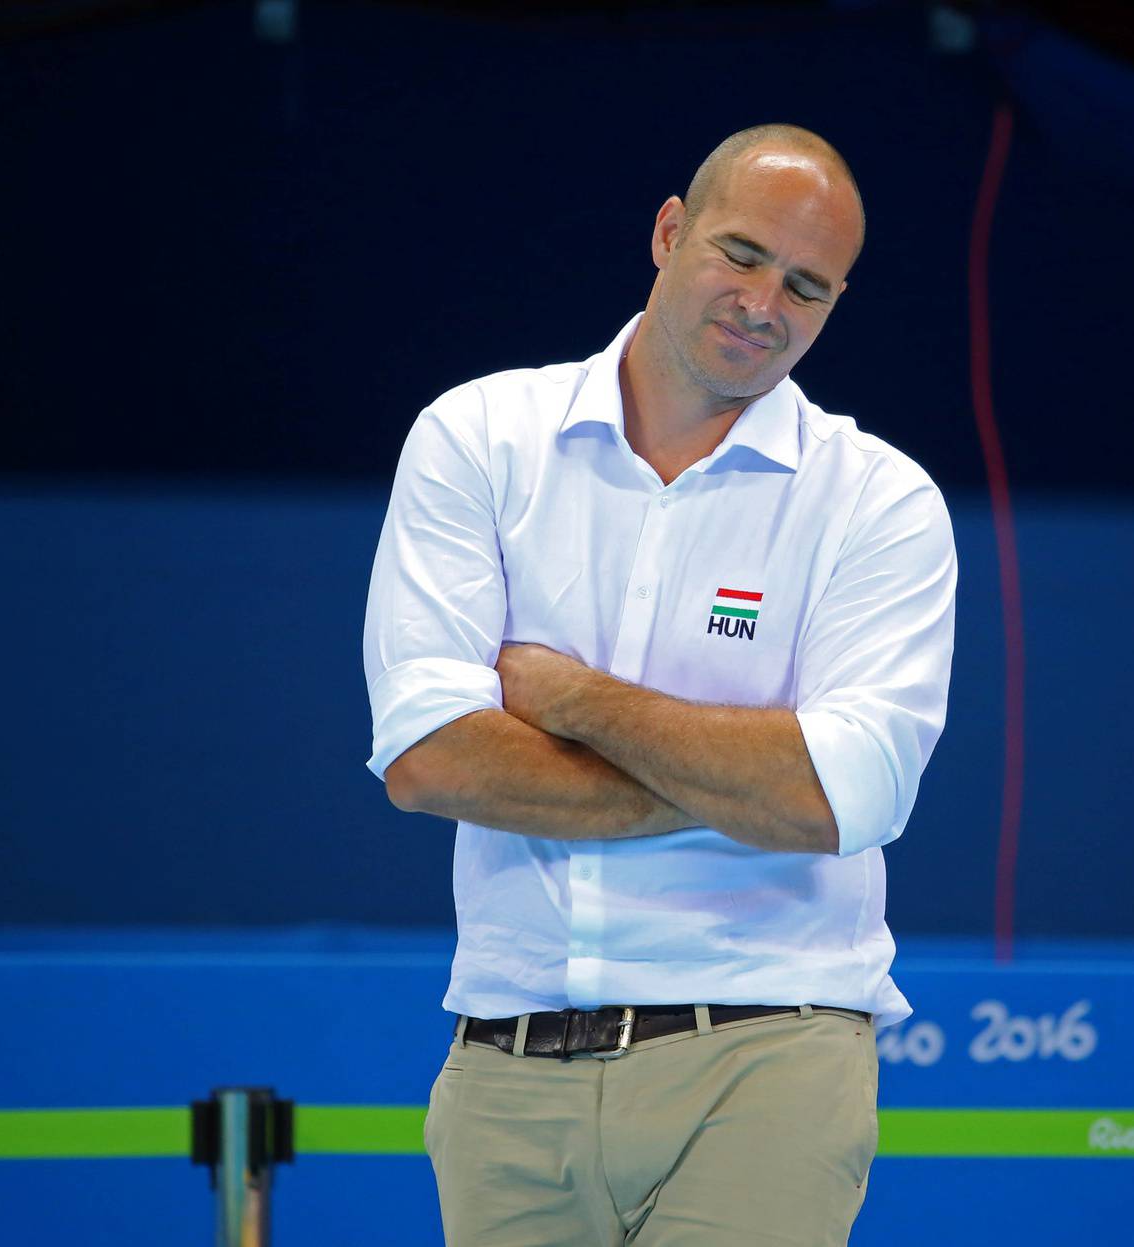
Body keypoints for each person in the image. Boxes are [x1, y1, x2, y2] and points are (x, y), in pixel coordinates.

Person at [362, 123, 956, 1246]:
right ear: (669, 230)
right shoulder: (477, 437)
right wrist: (747, 784)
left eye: (807, 285)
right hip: (508, 1056)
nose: (764, 302)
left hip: (771, 1046)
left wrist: (577, 703)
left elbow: (850, 798)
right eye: (740, 254)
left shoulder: (881, 502)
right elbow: (431, 755)